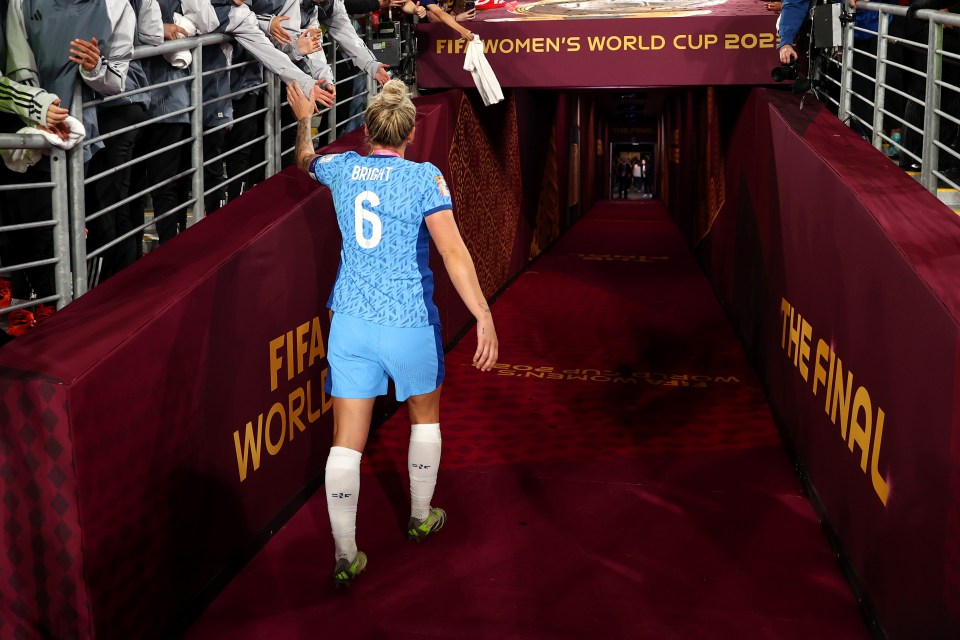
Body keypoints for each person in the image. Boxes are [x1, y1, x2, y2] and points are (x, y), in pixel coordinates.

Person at [286, 78, 499, 587]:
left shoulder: (339, 168)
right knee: (424, 419)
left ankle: (344, 554)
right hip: (408, 321)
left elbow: (305, 159)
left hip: (350, 323)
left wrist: (303, 122)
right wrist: (484, 314)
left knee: (346, 443)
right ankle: (421, 515)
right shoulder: (425, 178)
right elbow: (452, 253)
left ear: (367, 131)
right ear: (409, 135)